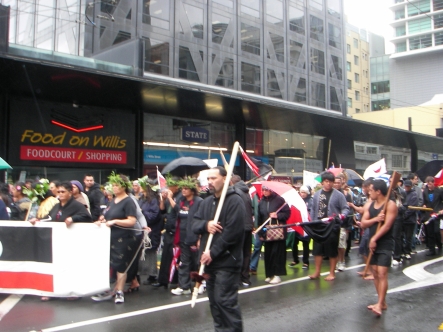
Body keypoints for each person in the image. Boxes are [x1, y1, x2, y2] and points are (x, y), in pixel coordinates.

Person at [193, 166, 245, 332]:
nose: (210, 181)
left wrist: (213, 252)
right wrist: (206, 224)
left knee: (225, 301)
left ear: (225, 178)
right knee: (214, 302)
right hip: (209, 262)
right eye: (208, 178)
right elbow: (194, 224)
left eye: (213, 178)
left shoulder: (235, 200)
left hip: (227, 260)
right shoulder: (206, 201)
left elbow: (233, 232)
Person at [29, 181, 92, 301]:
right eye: (58, 192)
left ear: (70, 192)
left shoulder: (77, 206)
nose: (60, 194)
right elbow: (49, 218)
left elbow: (88, 217)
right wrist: (37, 220)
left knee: (70, 266)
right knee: (55, 266)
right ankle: (53, 291)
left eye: (63, 192)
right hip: (56, 241)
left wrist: (73, 218)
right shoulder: (56, 206)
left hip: (71, 241)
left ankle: (72, 291)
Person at [91, 173, 138, 304]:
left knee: (121, 265)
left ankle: (120, 292)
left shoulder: (128, 201)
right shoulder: (112, 201)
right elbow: (107, 215)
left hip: (123, 238)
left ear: (124, 186)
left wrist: (115, 221)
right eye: (113, 185)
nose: (114, 187)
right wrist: (102, 219)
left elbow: (131, 221)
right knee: (111, 264)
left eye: (117, 185)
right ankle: (111, 288)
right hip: (110, 237)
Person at [361, 179, 398, 317]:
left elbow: (387, 226)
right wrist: (375, 220)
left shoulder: (390, 205)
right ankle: (381, 302)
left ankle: (381, 304)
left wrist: (374, 239)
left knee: (382, 273)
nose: (368, 192)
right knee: (375, 272)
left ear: (378, 191)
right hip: (373, 242)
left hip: (385, 243)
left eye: (371, 190)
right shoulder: (370, 204)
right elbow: (363, 223)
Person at [309, 171, 349, 281]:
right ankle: (317, 272)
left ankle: (332, 273)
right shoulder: (317, 194)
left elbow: (345, 208)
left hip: (332, 226)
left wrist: (342, 216)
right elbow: (313, 209)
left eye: (331, 182)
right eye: (326, 181)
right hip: (319, 225)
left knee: (332, 250)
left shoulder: (339, 195)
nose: (329, 184)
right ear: (322, 183)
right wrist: (313, 222)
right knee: (317, 250)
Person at [171, 177, 203, 295]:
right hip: (183, 237)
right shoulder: (181, 201)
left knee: (197, 262)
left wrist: (199, 238)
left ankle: (200, 284)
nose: (183, 191)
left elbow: (202, 219)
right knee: (184, 262)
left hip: (194, 237)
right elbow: (177, 211)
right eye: (182, 188)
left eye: (186, 188)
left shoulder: (199, 201)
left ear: (193, 190)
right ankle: (184, 287)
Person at [152, 177, 182, 289]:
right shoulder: (170, 197)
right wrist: (162, 199)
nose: (169, 188)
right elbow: (162, 210)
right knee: (165, 256)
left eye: (171, 186)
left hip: (176, 230)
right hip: (168, 229)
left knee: (175, 256)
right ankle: (163, 280)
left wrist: (169, 198)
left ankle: (175, 280)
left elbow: (178, 209)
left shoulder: (179, 197)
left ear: (176, 187)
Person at [257, 185, 290, 284]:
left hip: (278, 230)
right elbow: (260, 217)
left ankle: (277, 274)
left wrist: (277, 215)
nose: (264, 192)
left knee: (277, 252)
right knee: (268, 253)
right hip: (267, 230)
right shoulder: (261, 201)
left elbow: (287, 214)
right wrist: (260, 232)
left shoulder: (280, 200)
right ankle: (269, 274)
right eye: (263, 190)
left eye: (266, 190)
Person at [231, 175, 254, 286]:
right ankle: (245, 277)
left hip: (239, 226)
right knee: (246, 253)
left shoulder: (235, 191)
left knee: (238, 252)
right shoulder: (246, 192)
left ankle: (238, 277)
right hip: (248, 226)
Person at [139, 180, 162, 285]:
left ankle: (152, 274)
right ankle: (143, 272)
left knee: (151, 252)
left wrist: (142, 212)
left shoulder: (153, 200)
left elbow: (154, 215)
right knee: (143, 251)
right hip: (142, 229)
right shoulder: (142, 198)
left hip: (152, 229)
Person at [289, 185, 312, 269]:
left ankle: (306, 262)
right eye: (301, 192)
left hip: (306, 225)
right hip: (297, 224)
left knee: (306, 244)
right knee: (294, 243)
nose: (302, 194)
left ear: (307, 193)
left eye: (304, 192)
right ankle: (295, 259)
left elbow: (310, 212)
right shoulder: (297, 200)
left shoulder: (310, 201)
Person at [422, 176, 443, 256]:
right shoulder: (425, 192)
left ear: (433, 183)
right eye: (428, 184)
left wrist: (441, 210)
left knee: (436, 231)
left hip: (436, 214)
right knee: (430, 232)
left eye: (430, 184)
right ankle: (432, 250)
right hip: (428, 214)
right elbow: (424, 202)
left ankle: (439, 243)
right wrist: (423, 206)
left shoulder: (439, 191)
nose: (429, 186)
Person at [401, 180, 418, 259]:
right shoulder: (402, 194)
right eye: (406, 186)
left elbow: (412, 208)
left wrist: (404, 215)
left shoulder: (414, 194)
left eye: (408, 186)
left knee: (408, 237)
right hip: (403, 219)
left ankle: (407, 251)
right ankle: (402, 251)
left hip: (410, 219)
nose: (406, 187)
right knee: (401, 236)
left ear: (411, 186)